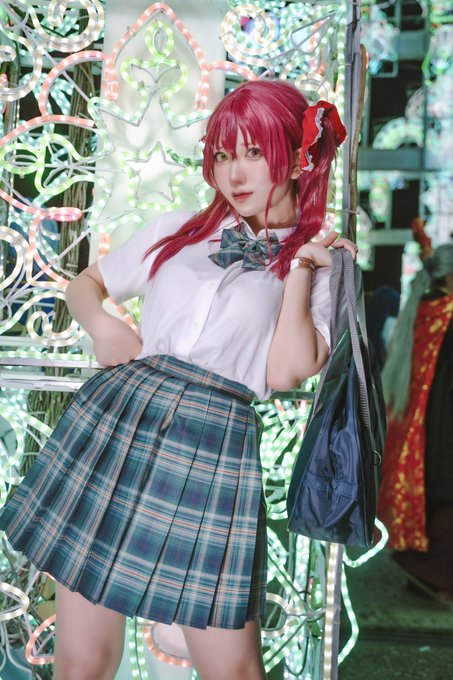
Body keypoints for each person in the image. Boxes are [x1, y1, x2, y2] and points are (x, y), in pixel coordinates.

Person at [0, 80, 356, 680]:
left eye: (254, 153)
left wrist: (299, 267)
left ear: (297, 159)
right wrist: (103, 326)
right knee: (83, 662)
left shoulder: (323, 264)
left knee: (233, 670)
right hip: (120, 423)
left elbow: (286, 369)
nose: (234, 173)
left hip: (213, 445)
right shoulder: (181, 230)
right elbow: (86, 284)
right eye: (223, 154)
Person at [378, 243, 453, 602]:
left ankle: (419, 569)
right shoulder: (446, 313)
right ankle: (427, 573)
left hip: (417, 427)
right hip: (442, 427)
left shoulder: (423, 309)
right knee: (443, 500)